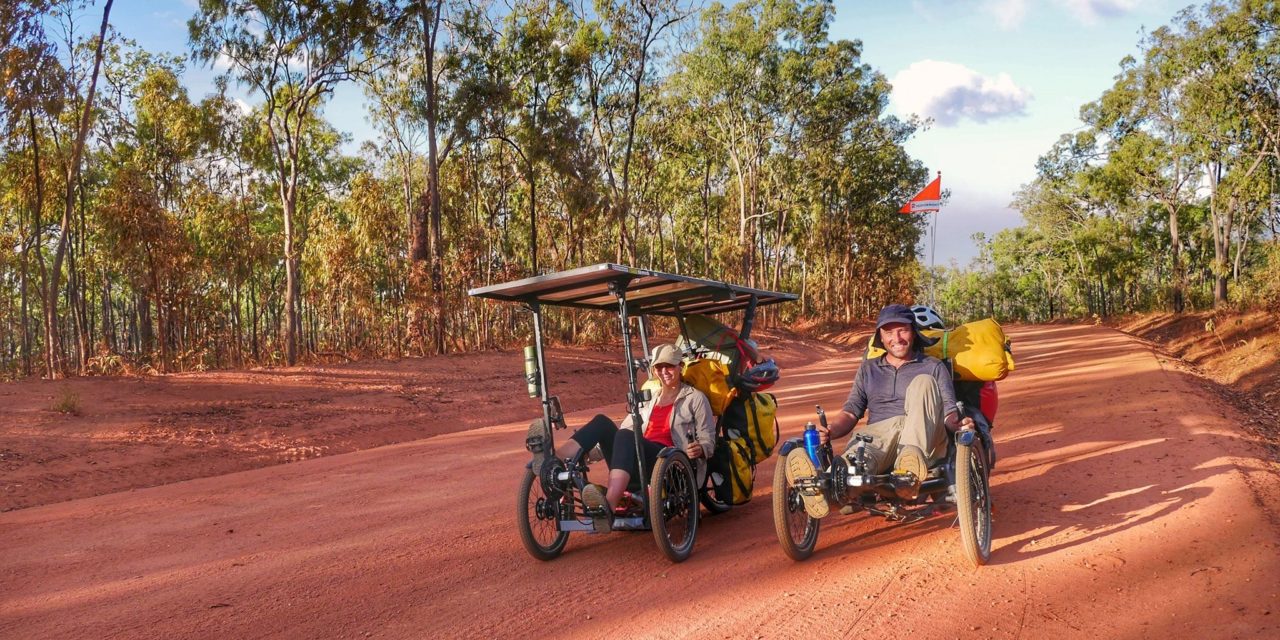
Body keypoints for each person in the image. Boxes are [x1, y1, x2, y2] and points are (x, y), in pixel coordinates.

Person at [786, 303, 974, 518]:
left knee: (922, 382)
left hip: (924, 440)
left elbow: (949, 410)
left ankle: (910, 467)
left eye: (902, 330)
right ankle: (824, 491)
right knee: (859, 458)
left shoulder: (932, 367)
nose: (897, 338)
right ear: (881, 338)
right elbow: (851, 411)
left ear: (913, 332)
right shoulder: (869, 369)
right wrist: (829, 431)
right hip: (880, 438)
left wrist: (958, 424)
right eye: (889, 332)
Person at [530, 343, 715, 532]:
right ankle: (554, 461)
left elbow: (708, 438)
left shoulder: (695, 399)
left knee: (627, 436)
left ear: (680, 367)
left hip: (669, 465)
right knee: (603, 423)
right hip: (636, 463)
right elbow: (622, 436)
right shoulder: (650, 399)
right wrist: (586, 455)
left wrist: (700, 448)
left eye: (670, 366)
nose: (664, 371)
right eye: (659, 367)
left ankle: (608, 506)